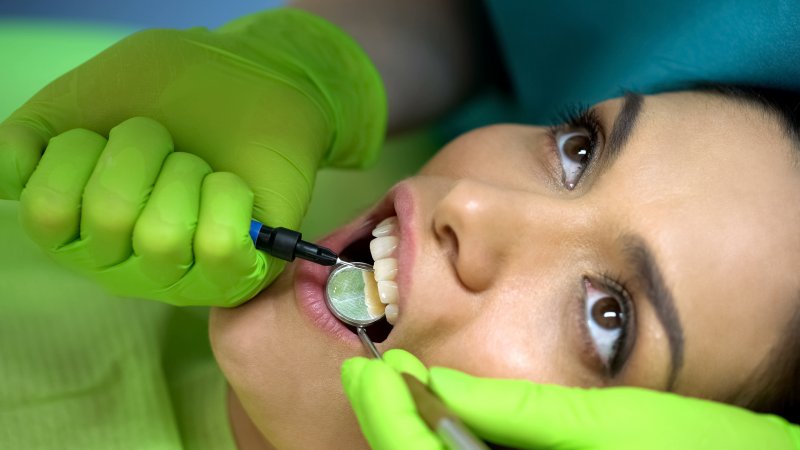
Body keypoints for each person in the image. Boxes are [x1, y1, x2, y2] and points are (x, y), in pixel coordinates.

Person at [2, 2, 800, 449]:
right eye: (579, 149)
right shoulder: (129, 120)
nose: (473, 205)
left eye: (607, 317)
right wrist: (312, 65)